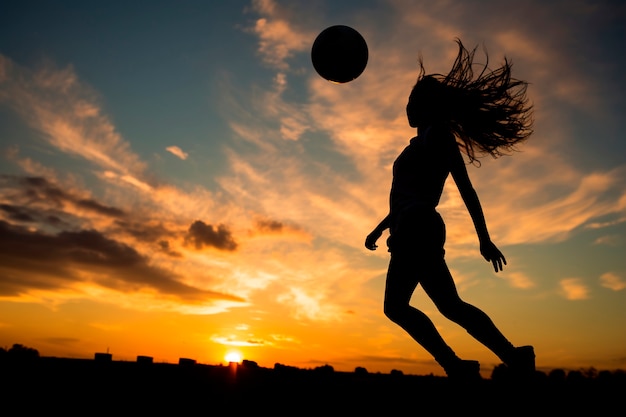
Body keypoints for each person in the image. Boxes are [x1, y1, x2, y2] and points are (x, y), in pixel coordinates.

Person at [365, 39, 535, 380]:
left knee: (396, 307)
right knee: (449, 306)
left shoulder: (436, 136)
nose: (407, 107)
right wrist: (381, 226)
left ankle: (457, 365)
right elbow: (406, 195)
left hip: (417, 226)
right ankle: (513, 356)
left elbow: (465, 188)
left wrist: (484, 239)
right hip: (414, 224)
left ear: (426, 105)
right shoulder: (420, 141)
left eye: (412, 100)